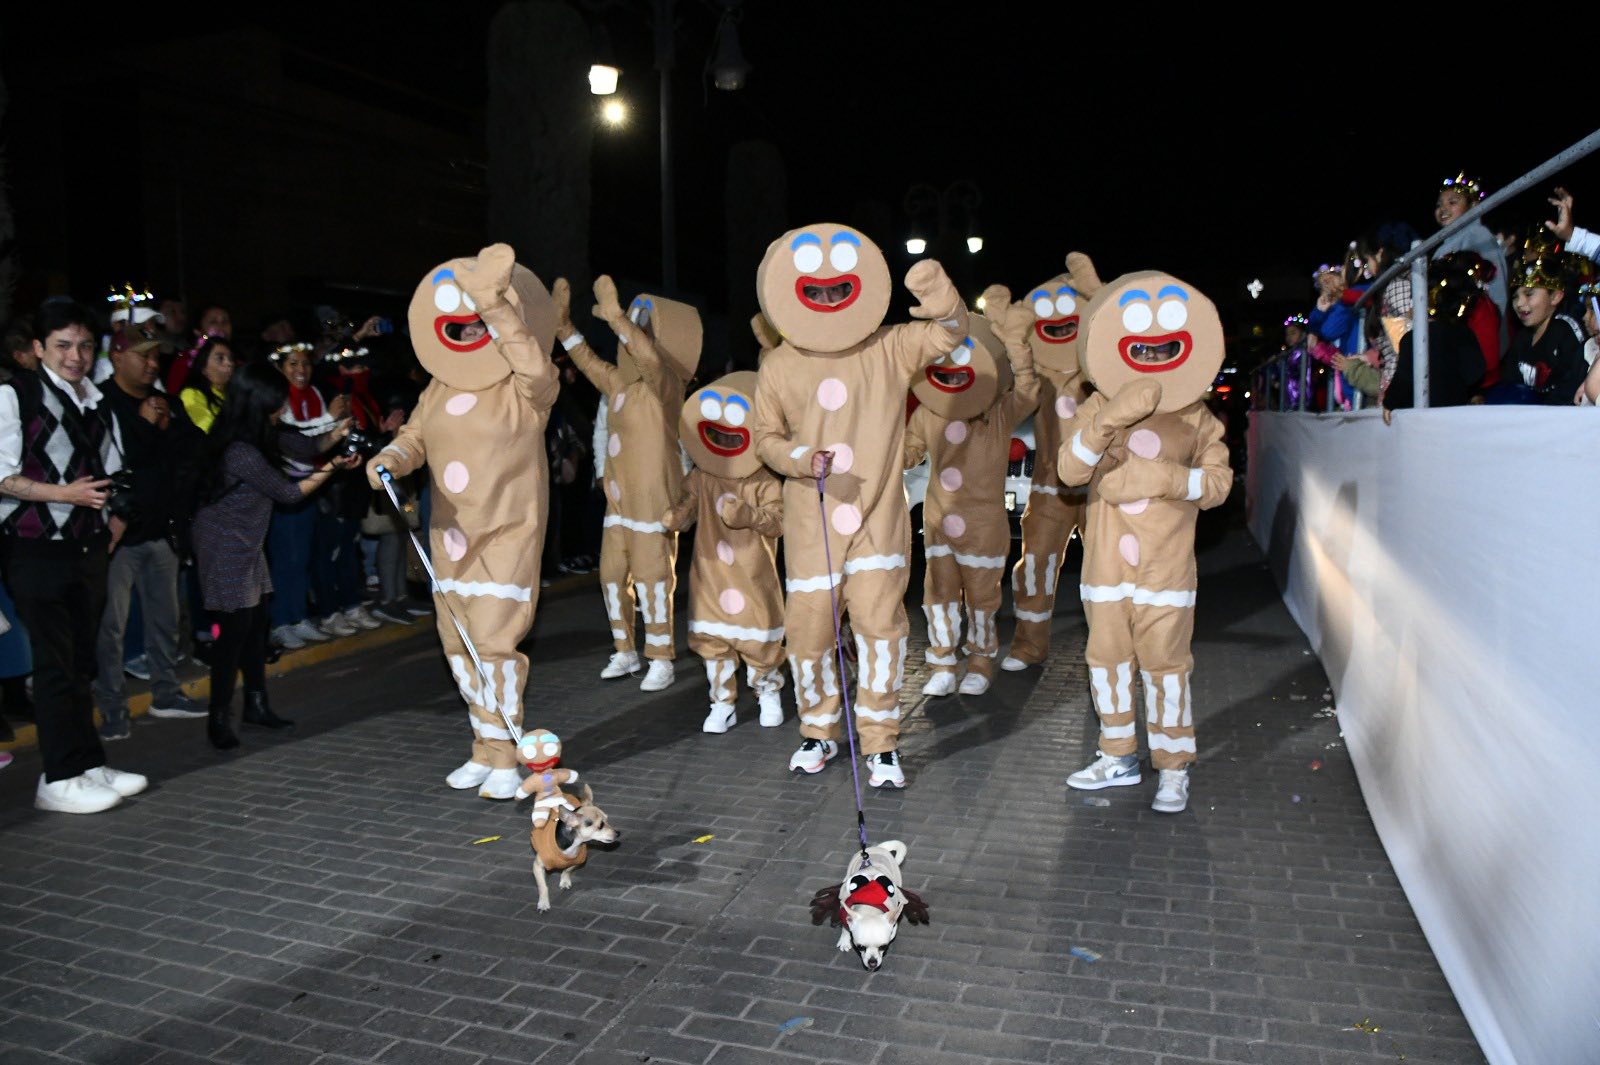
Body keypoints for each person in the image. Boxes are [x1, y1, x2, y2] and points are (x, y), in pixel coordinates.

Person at [751, 224, 968, 789]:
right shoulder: (777, 365)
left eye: (833, 289)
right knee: (809, 635)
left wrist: (937, 289)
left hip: (878, 521)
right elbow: (764, 439)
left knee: (880, 633)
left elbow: (949, 334)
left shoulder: (891, 346)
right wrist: (801, 458)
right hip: (809, 525)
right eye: (813, 291)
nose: (825, 299)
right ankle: (818, 732)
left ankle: (882, 745)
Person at [367, 244, 561, 800]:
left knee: (494, 645)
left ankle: (506, 755)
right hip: (449, 538)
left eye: (484, 318)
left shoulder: (527, 389)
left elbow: (534, 365)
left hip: (508, 533)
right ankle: (485, 746)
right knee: (457, 644)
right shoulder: (439, 387)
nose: (471, 326)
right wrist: (390, 460)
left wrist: (494, 304)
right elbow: (415, 439)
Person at [1058, 271, 1232, 815]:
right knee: (1106, 661)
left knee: (1165, 667)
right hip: (1107, 570)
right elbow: (1068, 470)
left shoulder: (1197, 416)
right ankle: (1118, 756)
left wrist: (1169, 480)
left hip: (1167, 570)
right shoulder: (1097, 407)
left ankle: (1173, 766)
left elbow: (1221, 485)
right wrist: (1108, 419)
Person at [0, 299, 147, 813]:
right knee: (56, 665)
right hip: (34, 548)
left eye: (85, 345)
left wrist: (115, 524)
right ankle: (58, 776)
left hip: (88, 546)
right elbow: (0, 475)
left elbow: (116, 469)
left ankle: (87, 763)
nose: (75, 355)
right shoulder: (14, 396)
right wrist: (64, 495)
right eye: (63, 345)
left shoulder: (95, 398)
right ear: (38, 348)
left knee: (81, 661)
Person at [190, 361, 355, 750]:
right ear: (256, 403)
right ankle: (218, 718)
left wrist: (338, 434)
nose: (283, 409)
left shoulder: (263, 433)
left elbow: (309, 446)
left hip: (248, 541)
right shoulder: (240, 450)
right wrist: (332, 467)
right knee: (232, 635)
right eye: (276, 403)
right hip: (225, 545)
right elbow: (289, 493)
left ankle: (256, 706)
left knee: (257, 624)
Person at [562, 278, 699, 693]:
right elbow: (587, 362)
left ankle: (661, 657)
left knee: (654, 577)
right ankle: (625, 649)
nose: (632, 344)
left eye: (642, 336)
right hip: (618, 502)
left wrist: (620, 318)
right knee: (611, 574)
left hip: (654, 499)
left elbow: (651, 360)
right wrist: (563, 327)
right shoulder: (619, 385)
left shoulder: (668, 386)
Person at [906, 295, 1038, 696]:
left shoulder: (998, 411)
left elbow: (1030, 392)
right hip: (938, 520)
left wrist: (1015, 346)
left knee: (982, 598)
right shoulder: (928, 411)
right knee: (938, 594)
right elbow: (909, 450)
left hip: (983, 524)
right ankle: (942, 663)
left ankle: (981, 660)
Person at [92, 320, 207, 740]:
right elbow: (116, 465)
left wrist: (162, 426)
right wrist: (143, 427)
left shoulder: (165, 401)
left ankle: (166, 692)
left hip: (162, 530)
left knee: (165, 622)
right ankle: (112, 708)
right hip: (119, 534)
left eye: (156, 356)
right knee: (111, 629)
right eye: (143, 355)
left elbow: (193, 448)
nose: (151, 363)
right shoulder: (101, 404)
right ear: (118, 356)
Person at [1002, 254, 1101, 671]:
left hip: (1101, 487)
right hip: (1050, 486)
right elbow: (1018, 391)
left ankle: (1109, 651)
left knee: (1105, 573)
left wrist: (1097, 295)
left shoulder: (1097, 365)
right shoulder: (1038, 371)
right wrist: (1012, 336)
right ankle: (1028, 645)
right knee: (1035, 566)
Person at [267, 343, 342, 649]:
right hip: (284, 484)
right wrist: (330, 420)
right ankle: (280, 621)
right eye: (293, 364)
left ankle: (298, 617)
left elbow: (321, 438)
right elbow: (295, 435)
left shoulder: (314, 394)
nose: (301, 370)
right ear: (279, 368)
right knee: (284, 556)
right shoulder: (276, 399)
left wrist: (333, 424)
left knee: (302, 555)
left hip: (310, 482)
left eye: (305, 364)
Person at [1496, 235, 1586, 406]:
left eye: (1529, 294)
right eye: (1515, 297)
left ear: (1555, 297)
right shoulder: (1522, 338)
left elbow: (1571, 389)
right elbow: (1509, 383)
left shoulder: (1568, 332)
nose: (1520, 304)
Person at [179, 335, 235, 432]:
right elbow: (207, 430)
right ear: (203, 367)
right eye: (220, 358)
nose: (229, 363)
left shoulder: (233, 393)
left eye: (230, 358)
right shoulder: (191, 394)